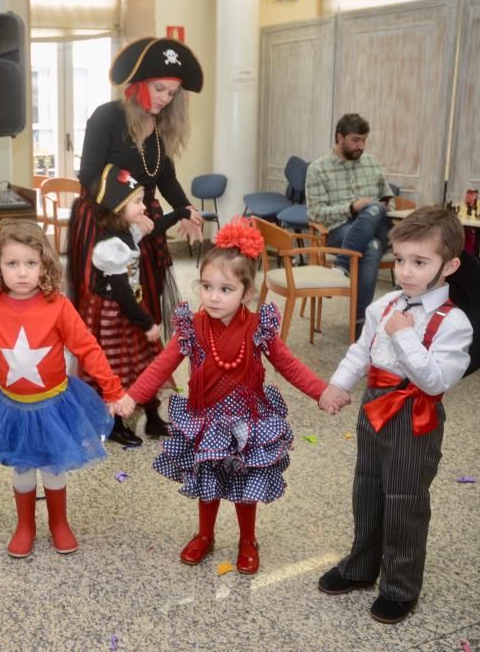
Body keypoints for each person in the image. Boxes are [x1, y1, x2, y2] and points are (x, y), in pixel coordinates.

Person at [114, 218, 327, 575]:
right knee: (206, 481)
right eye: (207, 286)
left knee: (246, 484)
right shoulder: (191, 326)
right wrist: (132, 397)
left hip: (248, 420)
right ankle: (205, 534)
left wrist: (321, 392)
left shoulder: (259, 325)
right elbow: (160, 366)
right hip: (206, 419)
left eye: (225, 289)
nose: (213, 296)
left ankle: (248, 540)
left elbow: (289, 365)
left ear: (247, 293)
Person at [0, 219, 126, 557]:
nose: (22, 272)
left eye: (30, 263)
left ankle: (59, 523)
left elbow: (87, 348)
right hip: (12, 407)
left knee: (53, 468)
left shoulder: (58, 306)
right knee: (22, 469)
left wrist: (112, 390)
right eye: (12, 264)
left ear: (44, 266)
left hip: (53, 405)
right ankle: (25, 525)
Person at [317, 206, 473, 624]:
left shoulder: (454, 323)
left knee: (405, 500)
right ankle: (361, 566)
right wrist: (338, 384)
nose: (405, 271)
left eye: (420, 262)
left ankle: (401, 586)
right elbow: (361, 350)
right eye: (400, 259)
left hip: (413, 417)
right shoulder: (385, 304)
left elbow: (434, 381)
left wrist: (404, 334)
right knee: (366, 489)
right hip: (373, 408)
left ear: (449, 265)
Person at [68, 37, 205, 443]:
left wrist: (187, 209)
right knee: (110, 320)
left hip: (142, 227)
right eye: (159, 88)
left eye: (172, 92)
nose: (164, 98)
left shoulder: (159, 129)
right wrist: (124, 213)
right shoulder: (107, 117)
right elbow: (88, 176)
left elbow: (166, 179)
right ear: (138, 83)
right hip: (104, 225)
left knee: (146, 316)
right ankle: (110, 413)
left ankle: (149, 405)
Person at [82, 164, 191, 447]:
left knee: (147, 363)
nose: (144, 207)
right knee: (118, 368)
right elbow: (121, 293)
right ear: (118, 207)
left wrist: (182, 212)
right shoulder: (109, 247)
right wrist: (147, 323)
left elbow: (156, 228)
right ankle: (115, 424)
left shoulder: (129, 232)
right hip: (116, 316)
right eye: (138, 202)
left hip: (133, 311)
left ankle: (153, 418)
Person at [306, 113, 396, 329]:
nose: (361, 146)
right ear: (339, 137)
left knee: (374, 207)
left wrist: (378, 206)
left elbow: (387, 198)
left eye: (364, 140)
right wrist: (351, 208)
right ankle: (360, 323)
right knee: (371, 247)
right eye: (356, 140)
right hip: (338, 230)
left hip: (378, 224)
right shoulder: (317, 169)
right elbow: (316, 214)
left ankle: (342, 264)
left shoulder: (371, 163)